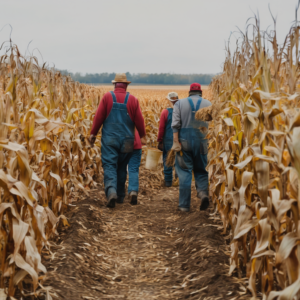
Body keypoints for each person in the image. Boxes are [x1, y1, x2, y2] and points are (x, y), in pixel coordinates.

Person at [89, 73, 146, 208]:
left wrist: (93, 134)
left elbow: (98, 117)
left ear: (114, 84)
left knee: (110, 166)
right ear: (126, 85)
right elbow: (139, 120)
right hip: (127, 140)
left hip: (110, 140)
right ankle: (120, 196)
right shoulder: (132, 99)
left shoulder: (107, 97)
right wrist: (143, 135)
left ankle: (111, 192)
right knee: (121, 168)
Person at [171, 83, 212, 212]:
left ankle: (184, 206)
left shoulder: (179, 104)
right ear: (201, 93)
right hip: (202, 141)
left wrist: (176, 142)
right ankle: (203, 194)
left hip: (184, 142)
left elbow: (175, 125)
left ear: (189, 92)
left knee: (184, 172)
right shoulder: (208, 104)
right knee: (201, 170)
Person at [157, 92, 179, 187]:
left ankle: (168, 181)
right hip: (179, 139)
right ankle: (178, 180)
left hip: (168, 140)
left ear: (169, 101)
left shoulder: (165, 112)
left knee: (167, 160)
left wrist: (159, 140)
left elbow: (161, 128)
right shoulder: (181, 111)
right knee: (179, 159)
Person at [124, 130, 142, 205]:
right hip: (136, 143)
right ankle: (133, 191)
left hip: (122, 143)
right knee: (133, 169)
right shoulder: (134, 117)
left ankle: (119, 194)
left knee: (121, 168)